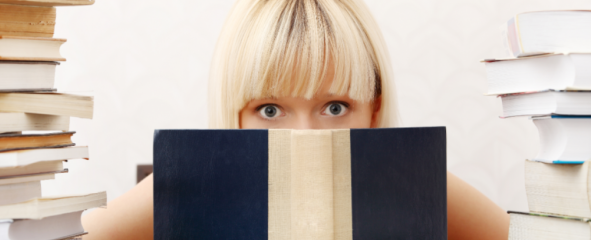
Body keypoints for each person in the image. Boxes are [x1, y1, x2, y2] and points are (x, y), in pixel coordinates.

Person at [82, 0, 510, 239]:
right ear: (236, 116)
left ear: (374, 108)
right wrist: (186, 173)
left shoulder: (411, 187)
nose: (305, 136)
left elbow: (506, 233)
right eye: (270, 110)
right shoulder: (200, 186)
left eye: (335, 108)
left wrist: (414, 173)